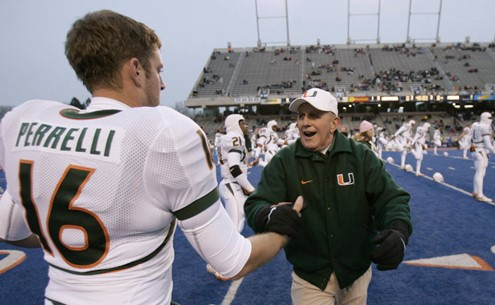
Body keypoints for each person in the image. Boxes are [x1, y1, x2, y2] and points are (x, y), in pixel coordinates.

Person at [0, 10, 303, 305]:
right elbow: (232, 261)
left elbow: (9, 229)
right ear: (135, 69)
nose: (163, 83)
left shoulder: (23, 122)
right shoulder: (166, 132)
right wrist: (282, 229)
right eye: (158, 69)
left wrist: (70, 237)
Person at [244, 88, 412, 305]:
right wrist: (269, 214)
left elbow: (390, 199)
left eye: (313, 115)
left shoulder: (360, 156)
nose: (304, 122)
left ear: (334, 124)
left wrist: (398, 231)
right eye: (301, 116)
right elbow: (255, 204)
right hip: (310, 275)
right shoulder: (284, 160)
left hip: (356, 272)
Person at [218, 114, 255, 233]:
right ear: (235, 124)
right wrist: (249, 187)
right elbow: (234, 167)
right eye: (242, 123)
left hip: (234, 184)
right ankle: (226, 251)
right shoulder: (234, 137)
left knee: (237, 222)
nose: (246, 126)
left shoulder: (231, 137)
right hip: (232, 184)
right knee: (236, 225)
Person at [471, 112, 495, 202]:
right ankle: (480, 194)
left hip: (474, 149)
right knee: (481, 173)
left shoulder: (475, 125)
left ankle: (475, 191)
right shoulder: (485, 127)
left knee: (478, 172)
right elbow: (487, 143)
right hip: (480, 151)